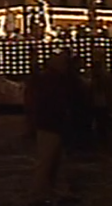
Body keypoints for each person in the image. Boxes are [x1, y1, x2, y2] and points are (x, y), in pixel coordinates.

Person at [28, 53, 77, 206]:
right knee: (48, 160)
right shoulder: (53, 80)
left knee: (54, 161)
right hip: (51, 123)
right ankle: (41, 193)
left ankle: (49, 191)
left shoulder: (52, 79)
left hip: (52, 123)